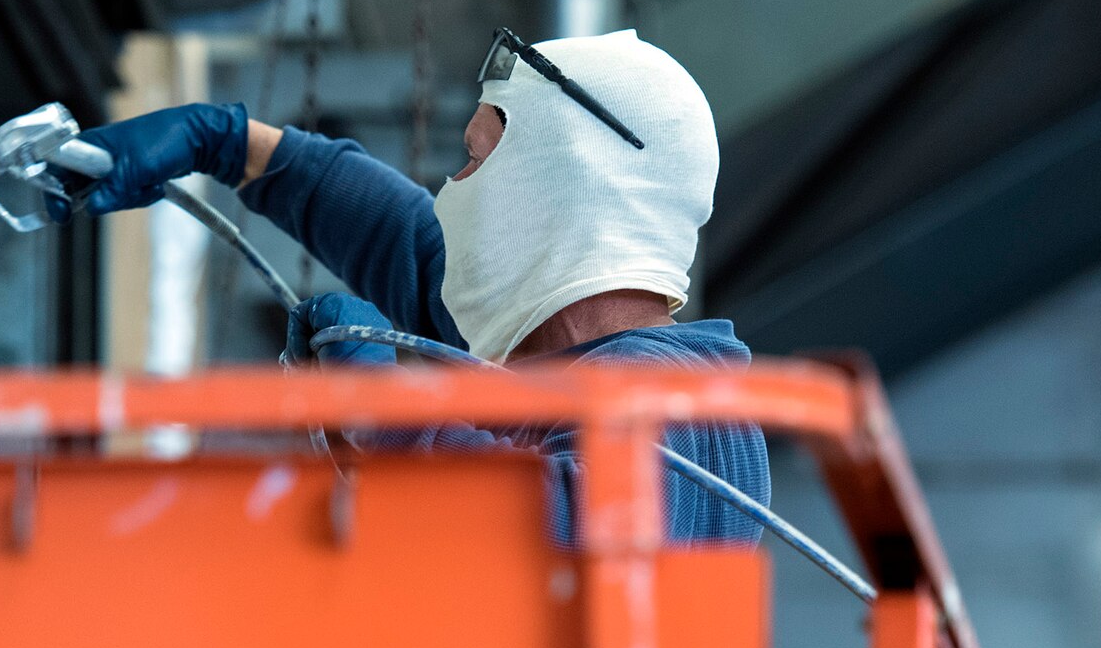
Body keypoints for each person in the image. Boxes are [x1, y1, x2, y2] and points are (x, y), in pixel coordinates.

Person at [65, 27, 768, 544]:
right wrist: (220, 142)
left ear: (563, 188)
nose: (451, 188)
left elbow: (551, 529)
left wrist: (388, 417)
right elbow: (395, 236)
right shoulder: (541, 359)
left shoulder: (688, 402)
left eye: (475, 159)